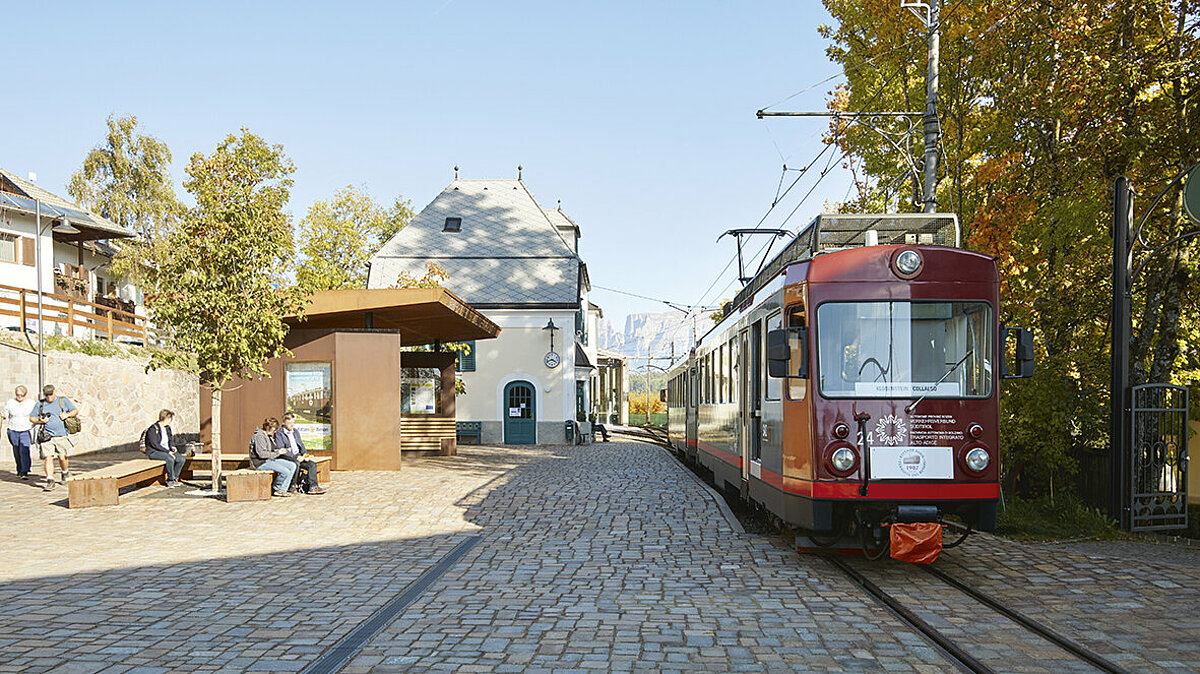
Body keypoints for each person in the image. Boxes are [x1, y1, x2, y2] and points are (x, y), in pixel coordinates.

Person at [30, 385, 77, 492]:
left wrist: (67, 415)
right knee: (48, 457)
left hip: (61, 435)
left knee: (62, 457)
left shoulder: (63, 401)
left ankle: (65, 472)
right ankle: (50, 480)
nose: (49, 397)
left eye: (51, 394)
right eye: (47, 395)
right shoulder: (40, 404)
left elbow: (75, 411)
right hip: (47, 436)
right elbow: (31, 418)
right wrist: (40, 421)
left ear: (54, 392)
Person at [273, 412, 327, 495]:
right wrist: (295, 457)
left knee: (312, 464)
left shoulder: (295, 432)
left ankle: (313, 487)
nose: (292, 425)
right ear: (283, 423)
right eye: (289, 423)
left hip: (298, 456)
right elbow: (282, 449)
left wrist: (305, 455)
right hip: (286, 457)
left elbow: (301, 445)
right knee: (296, 464)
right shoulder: (279, 433)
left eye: (293, 422)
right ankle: (292, 485)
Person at [249, 417, 297, 498]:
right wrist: (278, 452)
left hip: (270, 460)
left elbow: (272, 450)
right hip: (260, 463)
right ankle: (276, 488)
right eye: (274, 429)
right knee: (285, 471)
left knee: (292, 465)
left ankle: (282, 489)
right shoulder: (259, 436)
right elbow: (262, 454)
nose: (275, 431)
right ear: (268, 428)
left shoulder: (269, 436)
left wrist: (280, 451)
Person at [145, 409, 186, 487]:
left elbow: (170, 439)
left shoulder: (167, 428)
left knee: (181, 459)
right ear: (165, 418)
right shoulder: (153, 429)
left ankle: (175, 478)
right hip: (155, 452)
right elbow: (154, 444)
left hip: (167, 450)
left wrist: (172, 447)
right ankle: (170, 480)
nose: (170, 421)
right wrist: (167, 452)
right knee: (170, 459)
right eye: (170, 419)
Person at [4, 386, 35, 479]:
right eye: (18, 394)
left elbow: (35, 414)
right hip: (13, 429)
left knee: (24, 450)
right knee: (16, 450)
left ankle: (25, 471)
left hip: (26, 429)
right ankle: (19, 468)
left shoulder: (31, 403)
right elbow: (6, 413)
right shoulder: (10, 402)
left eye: (22, 394)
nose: (20, 396)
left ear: (25, 394)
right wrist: (3, 415)